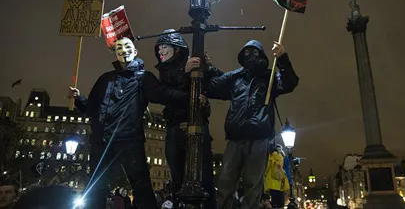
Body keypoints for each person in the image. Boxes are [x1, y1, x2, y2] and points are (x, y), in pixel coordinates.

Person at [69, 37, 193, 209]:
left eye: (127, 46)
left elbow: (164, 94)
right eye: (119, 47)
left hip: (129, 139)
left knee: (140, 185)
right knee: (96, 185)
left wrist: (190, 97)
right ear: (115, 53)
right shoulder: (105, 79)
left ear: (135, 52)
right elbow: (91, 109)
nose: (123, 50)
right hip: (102, 140)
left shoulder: (143, 78)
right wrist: (78, 99)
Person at [206, 39, 299, 209]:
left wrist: (283, 59)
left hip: (259, 139)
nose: (251, 56)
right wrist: (208, 69)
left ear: (262, 56)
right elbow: (213, 87)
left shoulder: (268, 77)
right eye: (247, 53)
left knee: (253, 184)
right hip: (235, 138)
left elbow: (290, 82)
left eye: (255, 53)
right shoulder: (236, 76)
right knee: (226, 181)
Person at [154, 30, 222, 209]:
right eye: (159, 47)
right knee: (177, 177)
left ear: (176, 49)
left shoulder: (193, 65)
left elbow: (219, 84)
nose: (161, 50)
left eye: (165, 46)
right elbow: (167, 94)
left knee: (205, 177)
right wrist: (185, 73)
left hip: (197, 128)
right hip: (175, 128)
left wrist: (209, 67)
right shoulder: (165, 71)